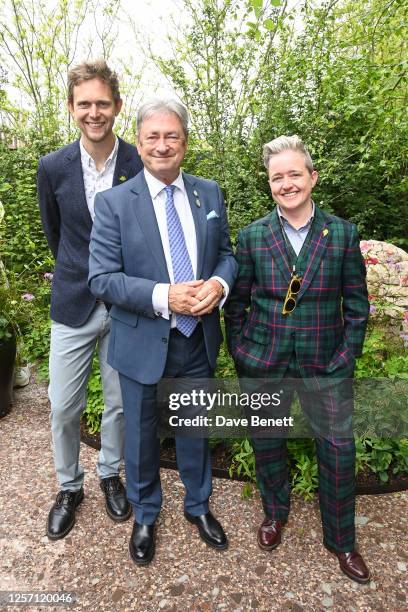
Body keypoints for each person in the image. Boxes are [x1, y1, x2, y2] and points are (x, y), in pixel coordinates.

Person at [88, 98, 237, 565]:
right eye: (152, 136)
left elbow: (228, 254)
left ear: (185, 142)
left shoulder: (209, 194)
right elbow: (101, 279)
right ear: (139, 141)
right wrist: (163, 296)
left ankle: (198, 505)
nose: (162, 145)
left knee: (195, 428)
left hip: (198, 338)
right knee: (141, 434)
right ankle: (146, 513)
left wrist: (218, 282)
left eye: (171, 135)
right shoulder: (114, 203)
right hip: (142, 341)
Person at [224, 135, 371, 583]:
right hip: (264, 361)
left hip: (325, 363)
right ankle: (275, 513)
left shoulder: (342, 233)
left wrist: (345, 358)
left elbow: (357, 306)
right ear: (269, 184)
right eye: (276, 177)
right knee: (267, 444)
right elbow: (238, 303)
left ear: (312, 177)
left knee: (338, 451)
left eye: (294, 174)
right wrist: (242, 352)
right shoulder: (251, 236)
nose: (286, 184)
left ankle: (342, 541)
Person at [37, 59, 143, 540]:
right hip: (73, 302)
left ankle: (109, 475)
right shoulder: (52, 166)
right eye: (85, 104)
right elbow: (54, 235)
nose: (94, 112)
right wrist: (82, 273)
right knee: (62, 404)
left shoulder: (138, 163)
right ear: (71, 107)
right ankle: (68, 486)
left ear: (117, 106)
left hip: (125, 304)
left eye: (103, 103)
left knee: (119, 403)